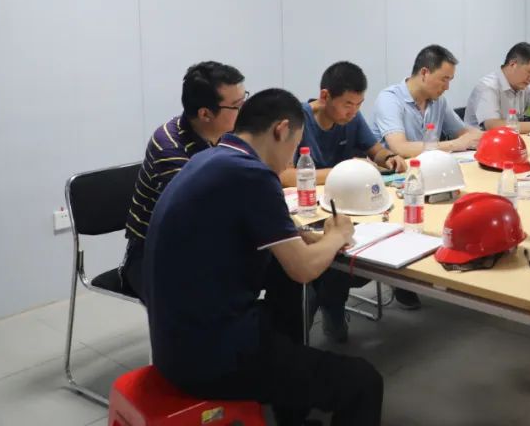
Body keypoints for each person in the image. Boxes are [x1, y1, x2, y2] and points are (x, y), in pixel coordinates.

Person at [145, 89, 383, 426]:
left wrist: (306, 238)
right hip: (210, 358)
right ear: (280, 130)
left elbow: (256, 228)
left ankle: (292, 412)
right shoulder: (252, 174)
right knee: (363, 382)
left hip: (174, 343)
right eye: (294, 146)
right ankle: (289, 396)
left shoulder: (212, 159)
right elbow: (303, 269)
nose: (290, 160)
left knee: (282, 285)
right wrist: (337, 235)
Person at [279, 61, 413, 338]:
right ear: (325, 96)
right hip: (310, 210)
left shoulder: (352, 119)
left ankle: (332, 305)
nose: (353, 112)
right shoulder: (297, 120)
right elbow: (286, 176)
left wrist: (388, 157)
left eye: (359, 105)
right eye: (347, 104)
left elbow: (374, 149)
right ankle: (327, 309)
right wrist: (343, 170)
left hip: (349, 207)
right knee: (336, 252)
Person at [121, 61, 246, 301]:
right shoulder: (170, 147)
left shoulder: (228, 132)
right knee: (208, 299)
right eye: (236, 106)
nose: (243, 111)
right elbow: (199, 217)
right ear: (205, 114)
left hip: (206, 241)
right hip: (154, 253)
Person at [372, 44, 481, 158]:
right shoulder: (389, 99)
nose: (447, 87)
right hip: (397, 168)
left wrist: (488, 137)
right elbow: (400, 148)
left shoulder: (439, 101)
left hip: (428, 165)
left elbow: (464, 133)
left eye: (449, 80)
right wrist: (455, 144)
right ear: (424, 73)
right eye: (444, 79)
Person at [464, 42, 530, 131]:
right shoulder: (488, 86)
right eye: (529, 72)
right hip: (481, 139)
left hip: (511, 138)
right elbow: (493, 126)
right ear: (513, 64)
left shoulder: (525, 87)